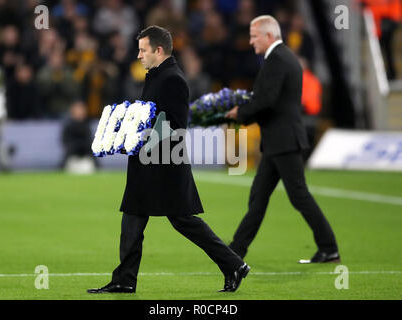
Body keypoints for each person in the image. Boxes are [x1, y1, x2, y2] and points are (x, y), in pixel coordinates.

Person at [87, 26, 249, 294]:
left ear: (158, 50)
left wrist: (140, 134)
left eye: (143, 50)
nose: (138, 55)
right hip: (148, 162)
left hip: (164, 166)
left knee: (184, 222)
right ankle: (124, 280)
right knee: (132, 219)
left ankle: (234, 264)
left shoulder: (172, 79)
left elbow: (175, 126)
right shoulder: (157, 76)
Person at [225, 16, 340, 264]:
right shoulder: (283, 57)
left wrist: (240, 113)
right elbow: (267, 98)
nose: (251, 40)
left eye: (254, 36)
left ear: (268, 36)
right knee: (259, 197)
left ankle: (329, 247)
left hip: (284, 140)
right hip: (279, 142)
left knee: (298, 196)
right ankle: (235, 251)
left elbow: (267, 99)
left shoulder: (277, 59)